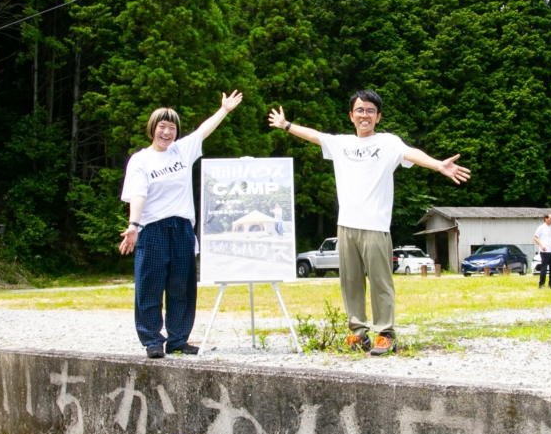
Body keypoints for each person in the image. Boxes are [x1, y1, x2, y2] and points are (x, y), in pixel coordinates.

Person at [268, 89, 470, 356]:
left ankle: (385, 334)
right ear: (351, 115)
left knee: (380, 282)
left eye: (370, 111)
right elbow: (315, 135)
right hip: (346, 226)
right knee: (350, 283)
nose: (365, 115)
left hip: (376, 226)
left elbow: (412, 153)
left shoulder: (388, 143)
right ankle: (358, 334)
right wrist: (286, 125)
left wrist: (438, 165)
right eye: (360, 110)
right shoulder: (341, 144)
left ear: (378, 117)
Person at [119, 91, 244, 358]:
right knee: (149, 286)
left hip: (182, 228)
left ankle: (178, 339)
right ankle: (152, 340)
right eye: (162, 126)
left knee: (181, 288)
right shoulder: (141, 160)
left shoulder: (181, 151)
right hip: (152, 229)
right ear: (152, 128)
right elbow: (138, 194)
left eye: (172, 128)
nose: (166, 132)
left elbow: (203, 131)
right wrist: (133, 225)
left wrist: (224, 110)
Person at [534, 214, 551, 289]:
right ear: (546, 219)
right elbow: (535, 238)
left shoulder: (550, 228)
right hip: (544, 251)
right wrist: (541, 245)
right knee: (544, 267)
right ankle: (541, 284)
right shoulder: (541, 227)